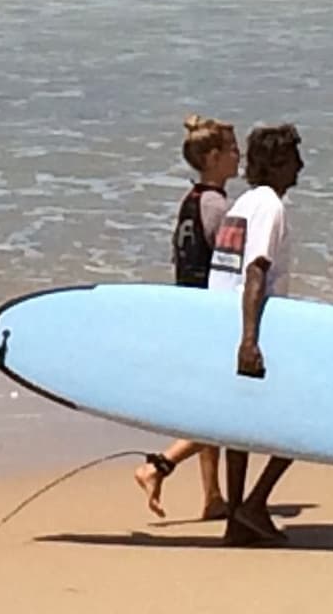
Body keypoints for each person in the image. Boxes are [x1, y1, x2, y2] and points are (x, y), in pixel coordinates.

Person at [133, 116, 238, 520]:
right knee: (226, 413)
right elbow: (232, 266)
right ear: (212, 158)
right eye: (231, 151)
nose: (238, 157)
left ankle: (213, 496)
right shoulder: (218, 206)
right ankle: (158, 465)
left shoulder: (191, 201)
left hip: (188, 312)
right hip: (212, 318)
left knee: (207, 405)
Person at [209, 122, 305, 546]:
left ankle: (236, 518)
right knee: (306, 419)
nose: (301, 165)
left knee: (239, 427)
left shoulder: (243, 203)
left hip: (223, 323)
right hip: (254, 328)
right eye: (296, 157)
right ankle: (253, 504)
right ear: (280, 162)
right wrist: (250, 341)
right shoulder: (269, 206)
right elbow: (255, 271)